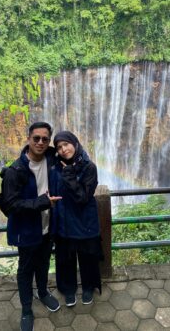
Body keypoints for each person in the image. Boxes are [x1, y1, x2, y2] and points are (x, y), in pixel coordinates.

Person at [0, 122, 62, 331]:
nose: (41, 142)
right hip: (27, 230)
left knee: (43, 264)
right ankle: (26, 309)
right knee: (25, 270)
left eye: (45, 139)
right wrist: (42, 202)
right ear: (28, 139)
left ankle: (43, 292)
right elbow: (10, 205)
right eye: (36, 138)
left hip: (47, 227)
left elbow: (74, 153)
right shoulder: (15, 171)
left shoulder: (52, 157)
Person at [51, 131, 102, 307]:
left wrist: (69, 175)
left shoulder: (89, 167)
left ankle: (88, 288)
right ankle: (68, 289)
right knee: (65, 259)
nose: (64, 149)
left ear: (75, 143)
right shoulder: (56, 165)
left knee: (87, 257)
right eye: (59, 147)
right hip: (64, 221)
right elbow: (35, 156)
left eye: (66, 144)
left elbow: (82, 197)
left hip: (85, 221)